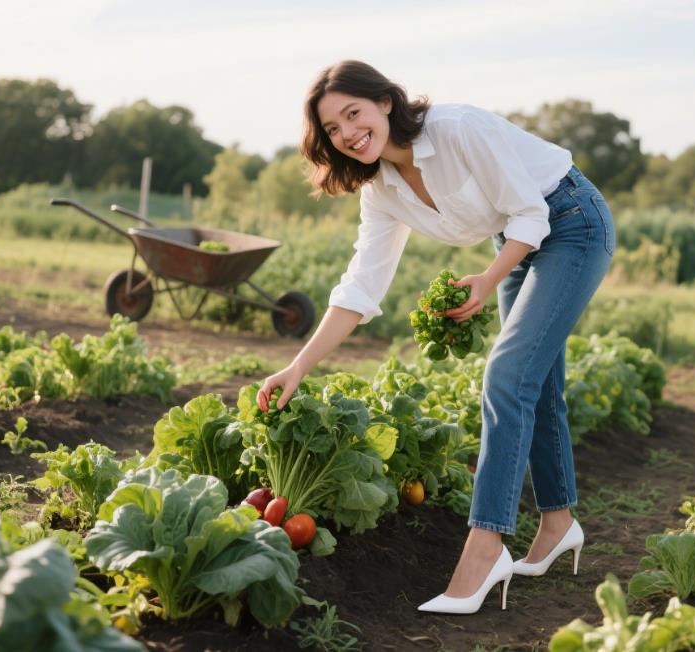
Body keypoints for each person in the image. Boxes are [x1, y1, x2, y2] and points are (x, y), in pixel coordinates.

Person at [256, 60, 615, 615]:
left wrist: (490, 277)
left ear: (385, 103)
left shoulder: (456, 128)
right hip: (516, 241)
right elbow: (360, 286)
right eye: (332, 129)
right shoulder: (380, 191)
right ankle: (559, 522)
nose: (348, 133)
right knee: (534, 383)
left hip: (569, 221)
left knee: (507, 375)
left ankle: (486, 546)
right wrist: (298, 366)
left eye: (353, 114)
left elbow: (530, 210)